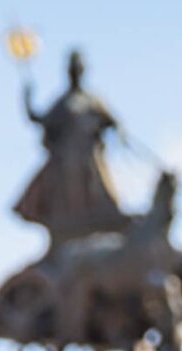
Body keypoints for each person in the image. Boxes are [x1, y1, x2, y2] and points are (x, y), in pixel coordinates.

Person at [14, 51, 127, 251]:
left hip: (89, 158)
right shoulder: (63, 101)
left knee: (98, 185)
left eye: (77, 69)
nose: (74, 73)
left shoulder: (92, 100)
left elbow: (112, 121)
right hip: (67, 160)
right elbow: (41, 119)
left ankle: (105, 215)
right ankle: (69, 220)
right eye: (72, 70)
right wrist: (27, 100)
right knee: (68, 186)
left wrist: (108, 130)